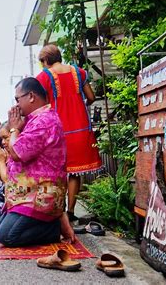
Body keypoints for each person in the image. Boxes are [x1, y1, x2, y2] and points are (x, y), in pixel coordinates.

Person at [0, 77, 75, 247]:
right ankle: (52, 221)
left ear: (31, 96)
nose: (16, 105)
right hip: (26, 193)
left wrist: (15, 128)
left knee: (7, 236)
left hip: (40, 197)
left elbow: (17, 152)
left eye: (18, 99)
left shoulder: (43, 121)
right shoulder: (34, 120)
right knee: (0, 228)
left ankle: (53, 228)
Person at [36, 44, 102, 221]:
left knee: (58, 173)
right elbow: (91, 97)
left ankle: (59, 211)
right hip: (80, 128)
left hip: (57, 131)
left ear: (46, 60)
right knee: (74, 173)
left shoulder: (44, 77)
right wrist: (80, 108)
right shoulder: (79, 73)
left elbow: (40, 105)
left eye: (42, 62)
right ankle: (71, 211)